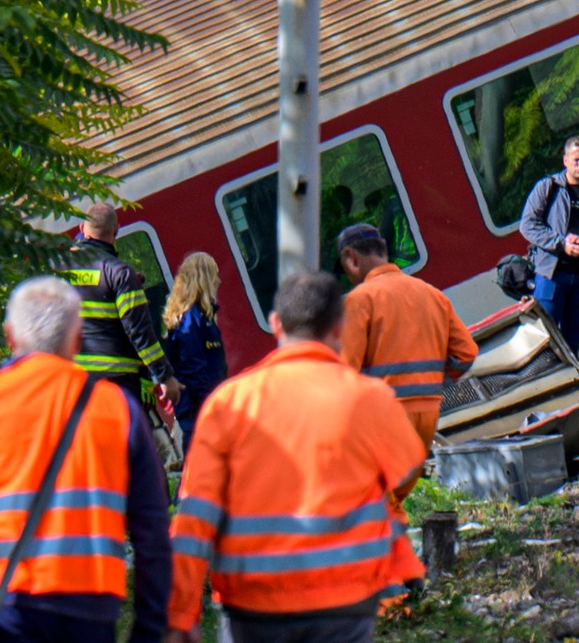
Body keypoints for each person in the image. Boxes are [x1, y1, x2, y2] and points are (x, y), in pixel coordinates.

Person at [167, 272, 426, 643]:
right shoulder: (369, 399)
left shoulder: (228, 404)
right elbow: (406, 470)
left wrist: (180, 616)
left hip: (252, 607)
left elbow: (194, 522)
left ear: (275, 324)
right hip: (345, 600)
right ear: (339, 327)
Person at [0, 276, 171, 643]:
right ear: (76, 339)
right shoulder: (119, 410)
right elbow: (153, 533)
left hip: (0, 607)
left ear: (9, 336)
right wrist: (149, 630)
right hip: (89, 609)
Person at [338, 223, 479, 475]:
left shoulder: (358, 301)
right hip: (429, 413)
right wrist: (431, 383)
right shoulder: (431, 293)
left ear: (352, 258)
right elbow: (466, 353)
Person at [67, 203, 181, 413]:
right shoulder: (120, 274)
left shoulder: (62, 270)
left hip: (77, 384)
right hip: (119, 384)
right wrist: (164, 376)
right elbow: (140, 332)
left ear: (82, 228)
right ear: (116, 231)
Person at [517, 135, 579, 357]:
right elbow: (527, 225)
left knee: (571, 342)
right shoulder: (548, 187)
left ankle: (572, 383)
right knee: (543, 339)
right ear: (565, 160)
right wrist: (561, 243)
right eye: (576, 159)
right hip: (551, 276)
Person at [161, 252, 228, 453]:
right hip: (199, 410)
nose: (218, 280)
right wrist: (210, 410)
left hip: (204, 407)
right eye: (214, 275)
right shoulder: (191, 321)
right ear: (204, 279)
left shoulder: (200, 317)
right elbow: (195, 370)